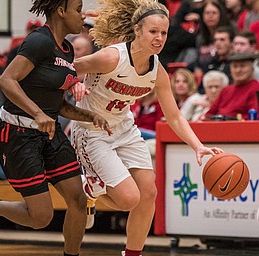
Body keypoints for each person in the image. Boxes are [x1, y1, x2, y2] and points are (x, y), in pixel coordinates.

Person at [70, 1, 223, 255]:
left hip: (124, 128)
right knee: (129, 198)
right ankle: (86, 189)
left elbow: (174, 117)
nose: (159, 38)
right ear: (138, 31)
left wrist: (198, 146)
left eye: (163, 33)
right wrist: (73, 82)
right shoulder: (111, 57)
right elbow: (65, 68)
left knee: (148, 193)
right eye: (153, 31)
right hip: (92, 130)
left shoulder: (157, 71)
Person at [0, 2, 112, 256]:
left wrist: (86, 115)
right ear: (61, 11)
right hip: (18, 134)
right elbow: (7, 81)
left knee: (78, 200)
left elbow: (56, 103)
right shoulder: (38, 42)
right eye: (78, 8)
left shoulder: (67, 51)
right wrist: (37, 113)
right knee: (41, 216)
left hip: (49, 132)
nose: (83, 14)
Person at [206, 52, 259, 120]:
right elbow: (209, 114)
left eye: (242, 66)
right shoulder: (226, 90)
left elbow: (253, 118)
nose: (238, 70)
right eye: (235, 66)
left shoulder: (256, 89)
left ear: (252, 68)